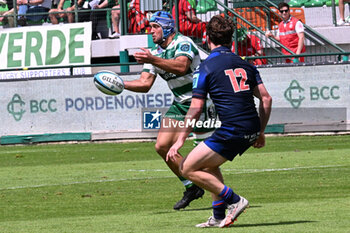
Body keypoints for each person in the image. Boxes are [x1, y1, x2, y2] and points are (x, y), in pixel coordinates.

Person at [166, 15, 272, 227]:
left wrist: (178, 142)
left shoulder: (205, 67)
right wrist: (260, 131)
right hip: (250, 128)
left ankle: (234, 200)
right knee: (207, 163)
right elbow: (266, 99)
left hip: (232, 130)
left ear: (207, 38)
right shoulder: (245, 64)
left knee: (186, 168)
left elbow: (195, 109)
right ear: (231, 40)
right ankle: (218, 216)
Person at [123, 11, 207, 210]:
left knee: (205, 156)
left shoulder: (183, 42)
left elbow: (181, 66)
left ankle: (222, 195)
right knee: (162, 146)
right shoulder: (156, 53)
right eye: (150, 27)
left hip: (205, 100)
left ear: (167, 27)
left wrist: (151, 60)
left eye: (155, 27)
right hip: (181, 103)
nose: (150, 31)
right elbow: (144, 83)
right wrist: (120, 83)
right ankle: (192, 186)